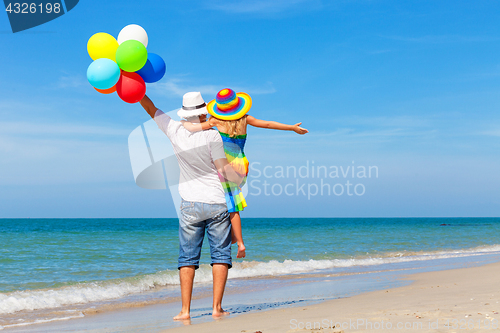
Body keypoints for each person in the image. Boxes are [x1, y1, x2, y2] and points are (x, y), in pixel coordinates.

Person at [139, 92, 243, 320]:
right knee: (220, 255)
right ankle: (216, 308)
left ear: (185, 112)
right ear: (203, 111)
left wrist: (137, 88)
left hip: (189, 204)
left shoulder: (173, 129)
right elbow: (222, 169)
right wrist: (240, 178)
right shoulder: (213, 136)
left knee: (187, 258)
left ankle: (185, 311)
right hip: (216, 202)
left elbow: (149, 107)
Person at [182, 88, 308, 259]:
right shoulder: (245, 119)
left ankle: (240, 242)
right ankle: (234, 236)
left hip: (225, 165)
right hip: (241, 164)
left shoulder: (215, 121)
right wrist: (292, 128)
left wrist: (183, 123)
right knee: (231, 200)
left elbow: (193, 128)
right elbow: (269, 124)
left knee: (231, 205)